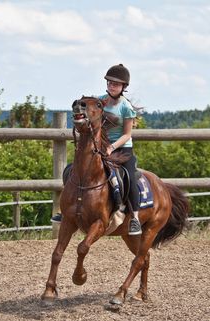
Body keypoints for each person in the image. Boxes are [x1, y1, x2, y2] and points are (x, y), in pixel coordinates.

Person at [51, 63, 142, 235]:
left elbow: (127, 134)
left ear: (123, 87)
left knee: (129, 177)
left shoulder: (126, 107)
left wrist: (111, 147)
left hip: (121, 148)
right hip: (99, 146)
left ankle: (135, 218)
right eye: (109, 83)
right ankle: (66, 210)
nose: (111, 86)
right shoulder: (99, 102)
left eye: (115, 84)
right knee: (72, 170)